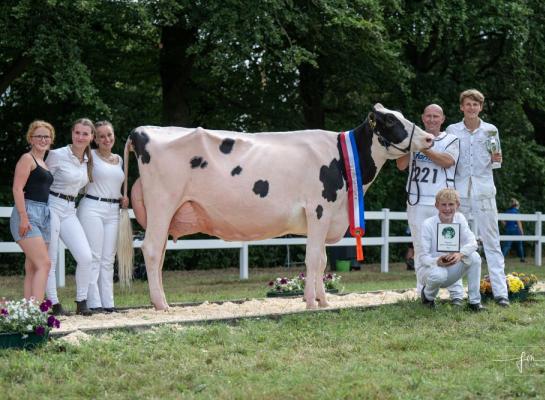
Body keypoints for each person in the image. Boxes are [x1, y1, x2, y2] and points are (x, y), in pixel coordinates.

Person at [445, 89, 509, 307]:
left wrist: (496, 158)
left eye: (475, 104)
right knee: (454, 240)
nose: (471, 108)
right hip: (459, 193)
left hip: (484, 191)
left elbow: (496, 162)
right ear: (461, 107)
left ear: (481, 107)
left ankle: (501, 293)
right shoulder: (452, 130)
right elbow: (448, 160)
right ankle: (456, 293)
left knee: (492, 241)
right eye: (468, 104)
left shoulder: (491, 131)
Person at [397, 104, 464, 305]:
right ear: (423, 118)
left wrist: (425, 148)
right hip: (417, 200)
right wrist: (411, 145)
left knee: (449, 245)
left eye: (436, 116)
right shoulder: (414, 140)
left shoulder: (451, 139)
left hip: (443, 203)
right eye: (428, 116)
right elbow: (401, 165)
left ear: (442, 119)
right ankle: (424, 293)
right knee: (420, 248)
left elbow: (447, 161)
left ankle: (456, 293)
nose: (432, 120)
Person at [77, 121, 128, 313]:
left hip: (113, 211)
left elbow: (116, 184)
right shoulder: (89, 157)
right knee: (94, 256)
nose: (107, 139)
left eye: (109, 134)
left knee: (108, 259)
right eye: (101, 136)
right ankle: (93, 302)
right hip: (92, 208)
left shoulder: (120, 160)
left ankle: (109, 303)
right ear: (95, 139)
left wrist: (123, 197)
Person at [46, 118, 95, 316]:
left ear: (91, 137)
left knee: (86, 257)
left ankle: (81, 301)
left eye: (85, 134)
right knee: (50, 258)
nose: (80, 137)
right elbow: (41, 180)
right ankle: (53, 303)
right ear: (72, 133)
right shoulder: (57, 155)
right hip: (51, 205)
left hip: (69, 208)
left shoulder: (87, 160)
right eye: (77, 132)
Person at [10, 121, 55, 301]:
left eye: (47, 136)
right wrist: (23, 217)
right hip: (28, 212)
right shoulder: (27, 159)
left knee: (33, 267)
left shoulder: (44, 162)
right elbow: (17, 189)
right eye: (39, 136)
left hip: (43, 214)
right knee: (44, 264)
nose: (43, 139)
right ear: (31, 138)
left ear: (51, 140)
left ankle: (29, 311)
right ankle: (38, 312)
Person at [420, 188, 484, 311]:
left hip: (453, 267)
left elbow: (473, 243)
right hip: (432, 270)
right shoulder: (428, 224)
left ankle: (474, 302)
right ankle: (427, 297)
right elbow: (422, 257)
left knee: (474, 257)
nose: (447, 209)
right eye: (443, 204)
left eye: (451, 204)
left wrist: (460, 254)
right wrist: (437, 261)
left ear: (457, 205)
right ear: (436, 205)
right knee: (440, 274)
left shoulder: (460, 218)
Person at [501, 198, 525, 262]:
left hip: (508, 229)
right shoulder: (516, 212)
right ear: (516, 205)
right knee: (519, 244)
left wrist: (507, 225)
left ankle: (502, 258)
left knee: (506, 245)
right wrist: (521, 231)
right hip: (516, 229)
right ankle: (522, 258)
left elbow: (503, 221)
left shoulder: (507, 212)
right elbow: (519, 222)